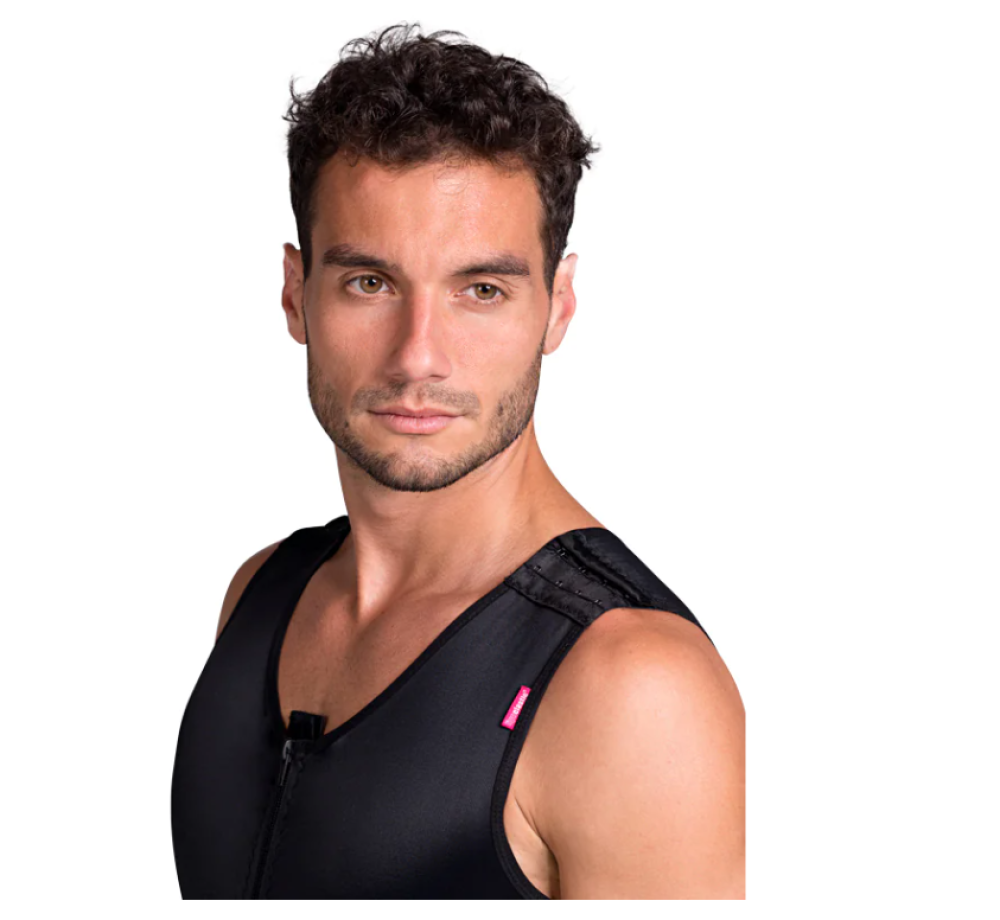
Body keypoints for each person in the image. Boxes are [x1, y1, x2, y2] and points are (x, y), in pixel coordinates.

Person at [171, 22, 745, 900]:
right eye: (369, 283)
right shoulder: (263, 594)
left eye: (481, 290)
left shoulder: (633, 687)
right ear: (295, 293)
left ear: (557, 308)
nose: (419, 357)